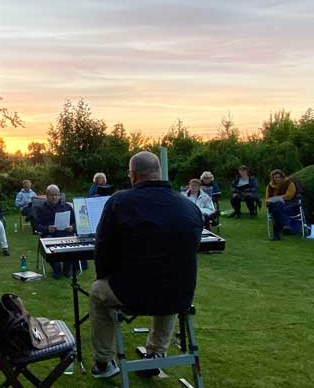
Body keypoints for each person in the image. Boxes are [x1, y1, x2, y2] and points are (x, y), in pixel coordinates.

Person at [90, 152, 202, 379]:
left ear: (133, 176)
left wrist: (106, 276)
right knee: (168, 283)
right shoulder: (189, 206)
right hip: (179, 294)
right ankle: (156, 354)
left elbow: (102, 249)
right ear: (159, 173)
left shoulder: (119, 201)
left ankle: (104, 362)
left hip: (132, 294)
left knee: (97, 292)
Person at [33, 185, 77, 279]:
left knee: (73, 242)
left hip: (65, 233)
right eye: (51, 195)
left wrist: (72, 227)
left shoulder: (67, 207)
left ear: (59, 195)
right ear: (47, 195)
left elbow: (76, 222)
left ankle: (67, 268)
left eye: (56, 195)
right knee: (48, 244)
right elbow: (36, 226)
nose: (54, 197)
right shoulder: (40, 208)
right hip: (49, 235)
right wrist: (47, 228)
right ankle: (56, 268)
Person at [265, 169, 297, 240]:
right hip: (274, 206)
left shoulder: (289, 183)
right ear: (272, 178)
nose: (277, 179)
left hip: (288, 205)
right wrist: (274, 200)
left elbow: (289, 195)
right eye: (276, 177)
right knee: (278, 206)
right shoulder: (270, 186)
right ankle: (285, 224)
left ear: (282, 177)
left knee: (278, 208)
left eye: (279, 177)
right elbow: (267, 199)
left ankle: (276, 234)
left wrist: (277, 198)